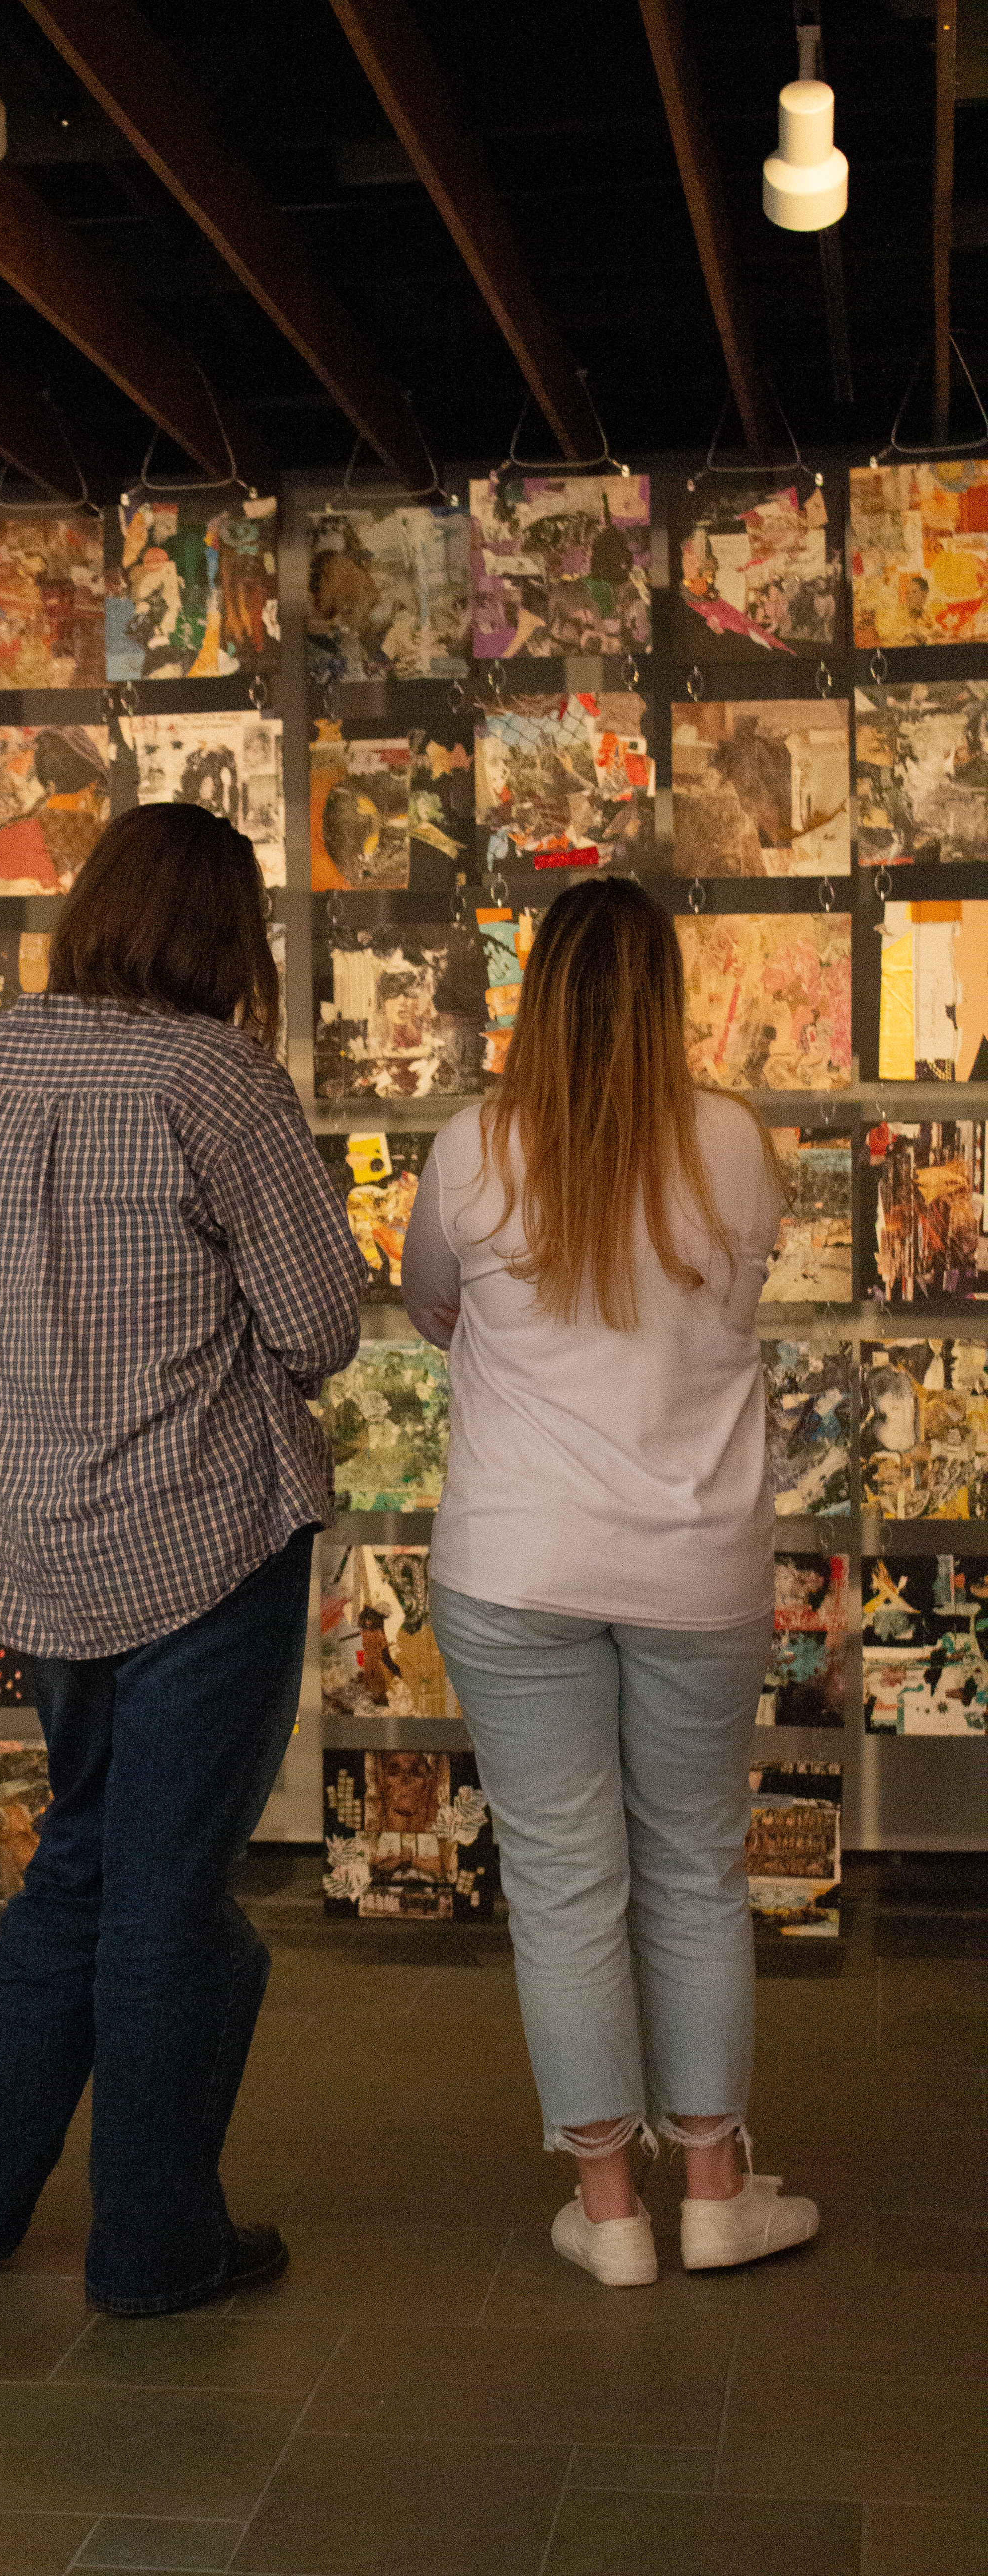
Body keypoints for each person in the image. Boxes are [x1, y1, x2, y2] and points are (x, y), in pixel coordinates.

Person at [0, 803, 363, 2316]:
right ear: (229, 935)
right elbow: (320, 1328)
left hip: (35, 1543)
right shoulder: (217, 1082)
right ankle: (155, 2247)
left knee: (86, 1855)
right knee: (163, 1892)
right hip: (205, 1541)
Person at [402, 877, 820, 2287]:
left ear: (537, 994)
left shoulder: (474, 1149)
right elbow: (734, 1309)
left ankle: (613, 2214)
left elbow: (431, 1302)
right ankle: (714, 2191)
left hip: (516, 1558)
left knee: (568, 1884)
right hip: (696, 1559)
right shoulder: (735, 1149)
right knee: (696, 1870)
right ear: (668, 998)